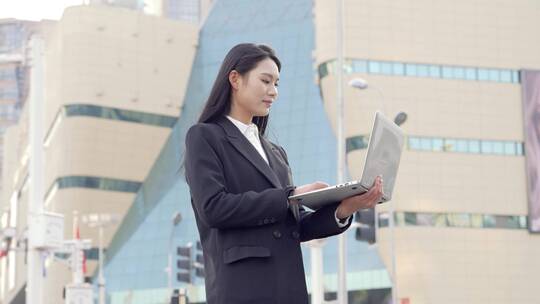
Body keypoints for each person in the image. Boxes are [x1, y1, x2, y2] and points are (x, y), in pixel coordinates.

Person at [183, 43, 383, 304]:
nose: (273, 91)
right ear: (235, 79)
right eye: (265, 81)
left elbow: (293, 226)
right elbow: (213, 208)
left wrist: (345, 208)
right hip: (242, 289)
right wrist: (290, 196)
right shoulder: (205, 136)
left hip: (287, 287)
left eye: (277, 83)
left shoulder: (276, 154)